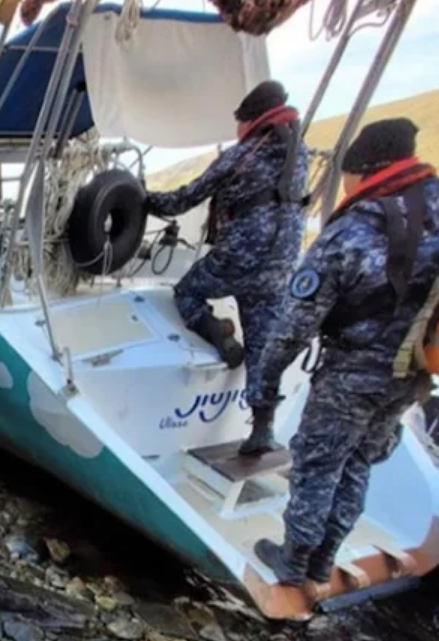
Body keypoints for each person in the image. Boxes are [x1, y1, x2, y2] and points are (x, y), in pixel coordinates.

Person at [249, 118, 439, 586]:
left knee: (318, 463)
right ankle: (324, 556)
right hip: (413, 372)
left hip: (354, 372)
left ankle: (293, 564)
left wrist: (266, 379)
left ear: (363, 169)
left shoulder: (354, 229)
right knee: (357, 462)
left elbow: (295, 323)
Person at [144, 80, 310, 456]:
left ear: (248, 120)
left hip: (239, 257)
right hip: (280, 265)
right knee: (262, 344)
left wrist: (144, 200)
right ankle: (263, 428)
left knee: (187, 291)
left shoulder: (243, 154)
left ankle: (217, 332)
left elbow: (186, 198)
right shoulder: (299, 152)